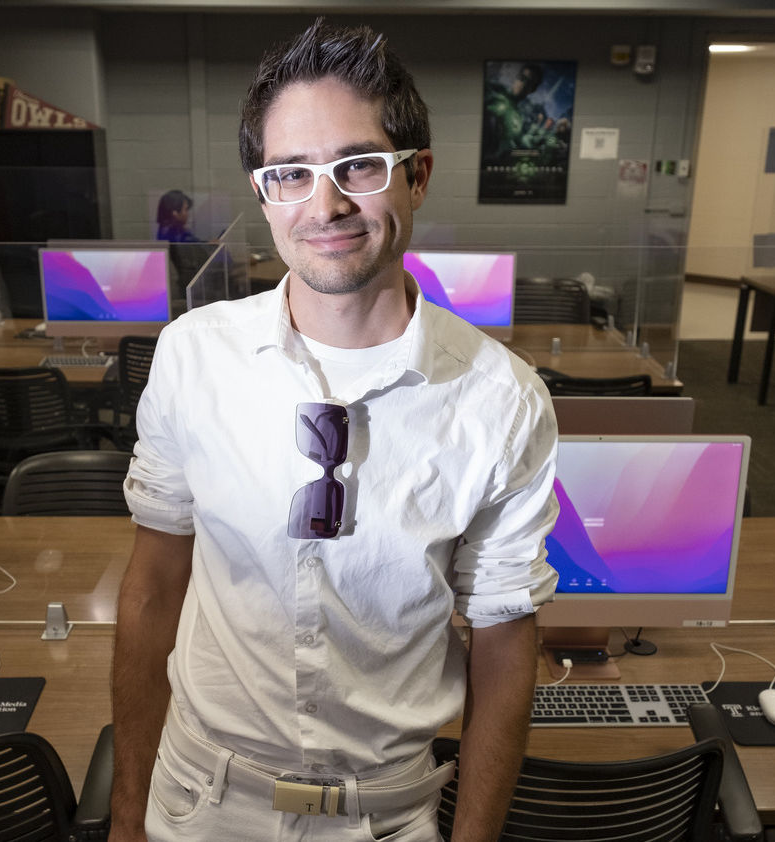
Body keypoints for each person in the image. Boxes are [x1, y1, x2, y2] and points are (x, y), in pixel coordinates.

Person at [112, 19, 558, 842]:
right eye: (291, 174)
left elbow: (503, 645)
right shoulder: (191, 357)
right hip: (199, 802)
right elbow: (151, 589)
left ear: (417, 175)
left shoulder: (503, 400)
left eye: (359, 164)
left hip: (387, 815)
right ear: (262, 192)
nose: (327, 204)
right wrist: (127, 811)